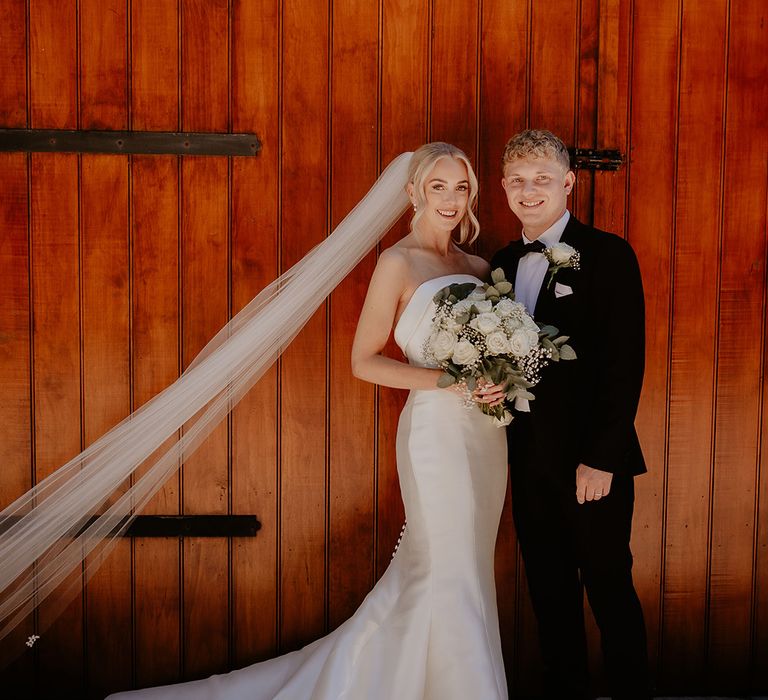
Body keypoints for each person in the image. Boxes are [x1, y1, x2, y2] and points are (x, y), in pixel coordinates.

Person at [105, 142, 509, 699]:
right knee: (446, 565)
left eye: (460, 187)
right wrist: (450, 382)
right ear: (413, 192)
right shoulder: (398, 262)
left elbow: (492, 353)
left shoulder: (481, 268)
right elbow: (363, 362)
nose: (450, 199)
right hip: (435, 434)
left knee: (467, 563)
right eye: (437, 186)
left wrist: (496, 381)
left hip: (486, 434)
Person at [489, 129, 650, 699]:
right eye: (517, 180)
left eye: (541, 179)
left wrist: (600, 459)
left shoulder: (609, 255)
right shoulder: (502, 264)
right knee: (550, 596)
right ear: (504, 187)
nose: (529, 191)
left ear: (568, 184)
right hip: (528, 461)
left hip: (593, 465)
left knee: (609, 588)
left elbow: (624, 365)